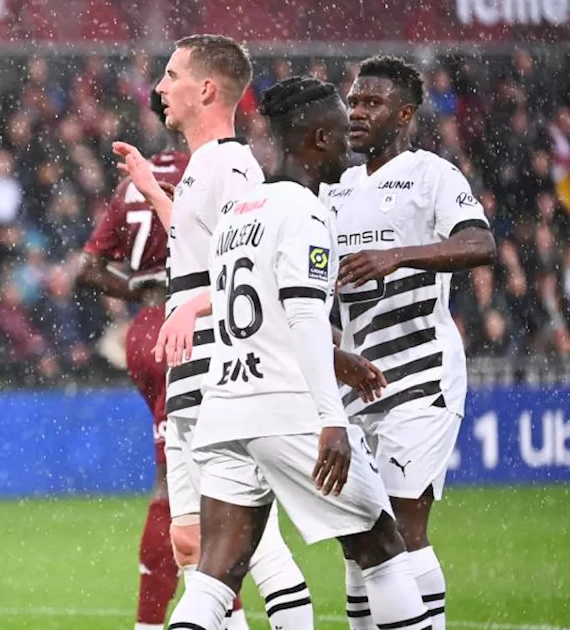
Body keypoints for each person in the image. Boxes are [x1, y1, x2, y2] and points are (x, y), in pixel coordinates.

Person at [165, 75, 434, 630]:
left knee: (216, 574)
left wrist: (339, 360)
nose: (349, 144)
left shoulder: (241, 212)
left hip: (226, 407)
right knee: (383, 549)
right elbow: (306, 314)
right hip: (287, 408)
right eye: (338, 133)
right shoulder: (304, 212)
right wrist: (331, 420)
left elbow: (255, 307)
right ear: (313, 139)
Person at [115, 35, 315, 628]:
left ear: (206, 89)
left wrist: (192, 304)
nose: (159, 88)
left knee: (250, 544)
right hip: (189, 371)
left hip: (221, 369)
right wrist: (154, 191)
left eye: (171, 75)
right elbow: (207, 245)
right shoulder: (205, 167)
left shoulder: (231, 165)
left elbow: (255, 265)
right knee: (190, 542)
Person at [323, 56, 496, 628]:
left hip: (421, 376)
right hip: (356, 381)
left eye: (371, 103)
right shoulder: (335, 191)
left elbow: (479, 245)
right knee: (358, 534)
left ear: (404, 113)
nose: (357, 112)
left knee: (400, 525)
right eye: (354, 101)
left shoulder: (432, 175)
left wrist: (396, 256)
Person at [79, 89, 219, 630]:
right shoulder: (201, 171)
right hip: (189, 323)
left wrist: (137, 286)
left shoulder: (128, 185)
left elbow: (88, 268)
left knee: (177, 476)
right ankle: (202, 611)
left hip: (146, 329)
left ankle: (163, 615)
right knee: (206, 483)